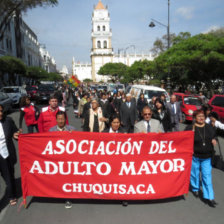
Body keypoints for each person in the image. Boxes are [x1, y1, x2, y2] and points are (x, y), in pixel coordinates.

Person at [185, 109, 217, 207]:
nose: (201, 118)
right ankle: (195, 188)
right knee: (194, 175)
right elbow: (183, 139)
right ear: (194, 118)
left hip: (207, 157)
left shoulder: (208, 127)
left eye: (203, 116)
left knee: (206, 177)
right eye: (199, 116)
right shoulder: (190, 128)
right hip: (195, 157)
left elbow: (214, 135)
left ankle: (210, 197)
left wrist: (214, 139)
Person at [49, 111, 76, 209]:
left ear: (65, 119)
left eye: (62, 119)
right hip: (57, 160)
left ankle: (67, 198)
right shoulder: (51, 131)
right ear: (56, 120)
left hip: (69, 160)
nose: (61, 121)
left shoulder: (72, 129)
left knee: (68, 180)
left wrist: (74, 135)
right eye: (59, 119)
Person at [0, 104, 20, 206]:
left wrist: (16, 135)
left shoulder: (8, 120)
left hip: (6, 153)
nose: (0, 113)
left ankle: (12, 195)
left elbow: (15, 132)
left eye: (1, 111)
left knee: (9, 175)